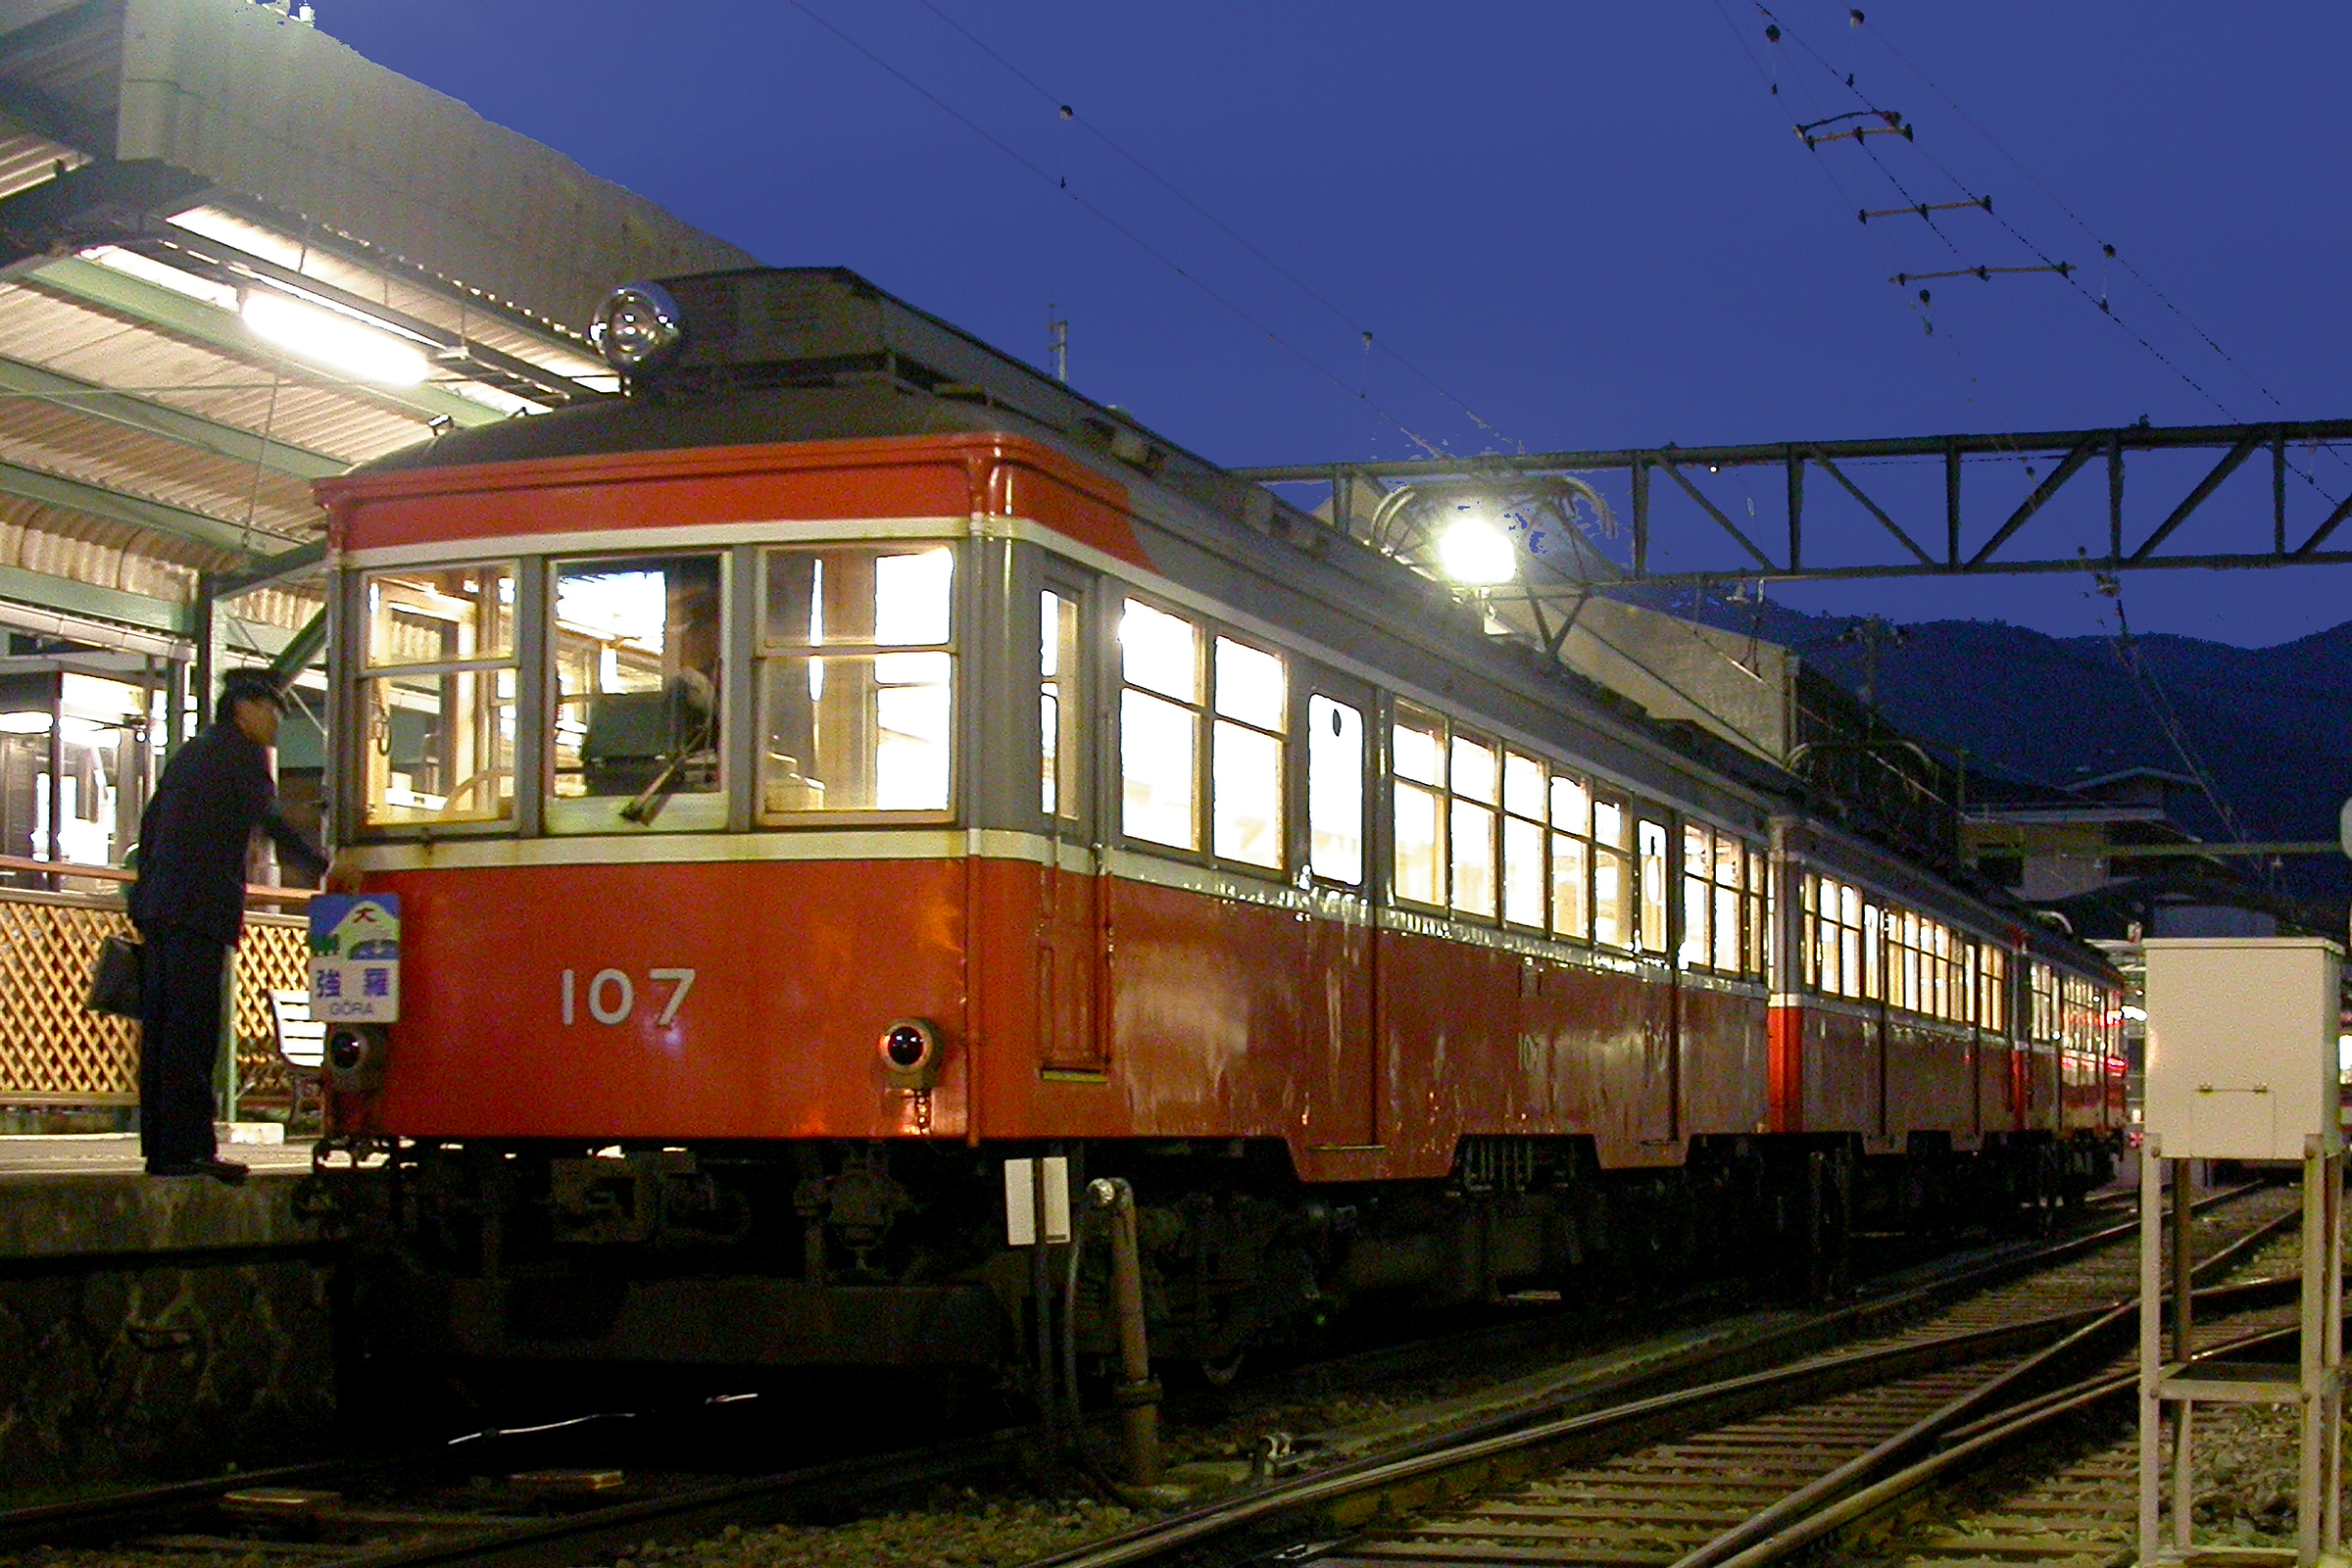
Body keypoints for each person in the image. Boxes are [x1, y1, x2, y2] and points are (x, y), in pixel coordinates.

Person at [128, 668, 328, 1183]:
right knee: (194, 1034)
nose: (277, 721)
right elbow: (272, 822)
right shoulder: (241, 756)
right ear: (244, 708)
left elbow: (151, 826)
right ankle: (191, 1150)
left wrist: (144, 900)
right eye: (272, 709)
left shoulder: (192, 754)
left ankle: (163, 1150)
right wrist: (324, 866)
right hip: (199, 910)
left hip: (161, 908)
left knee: (163, 1033)